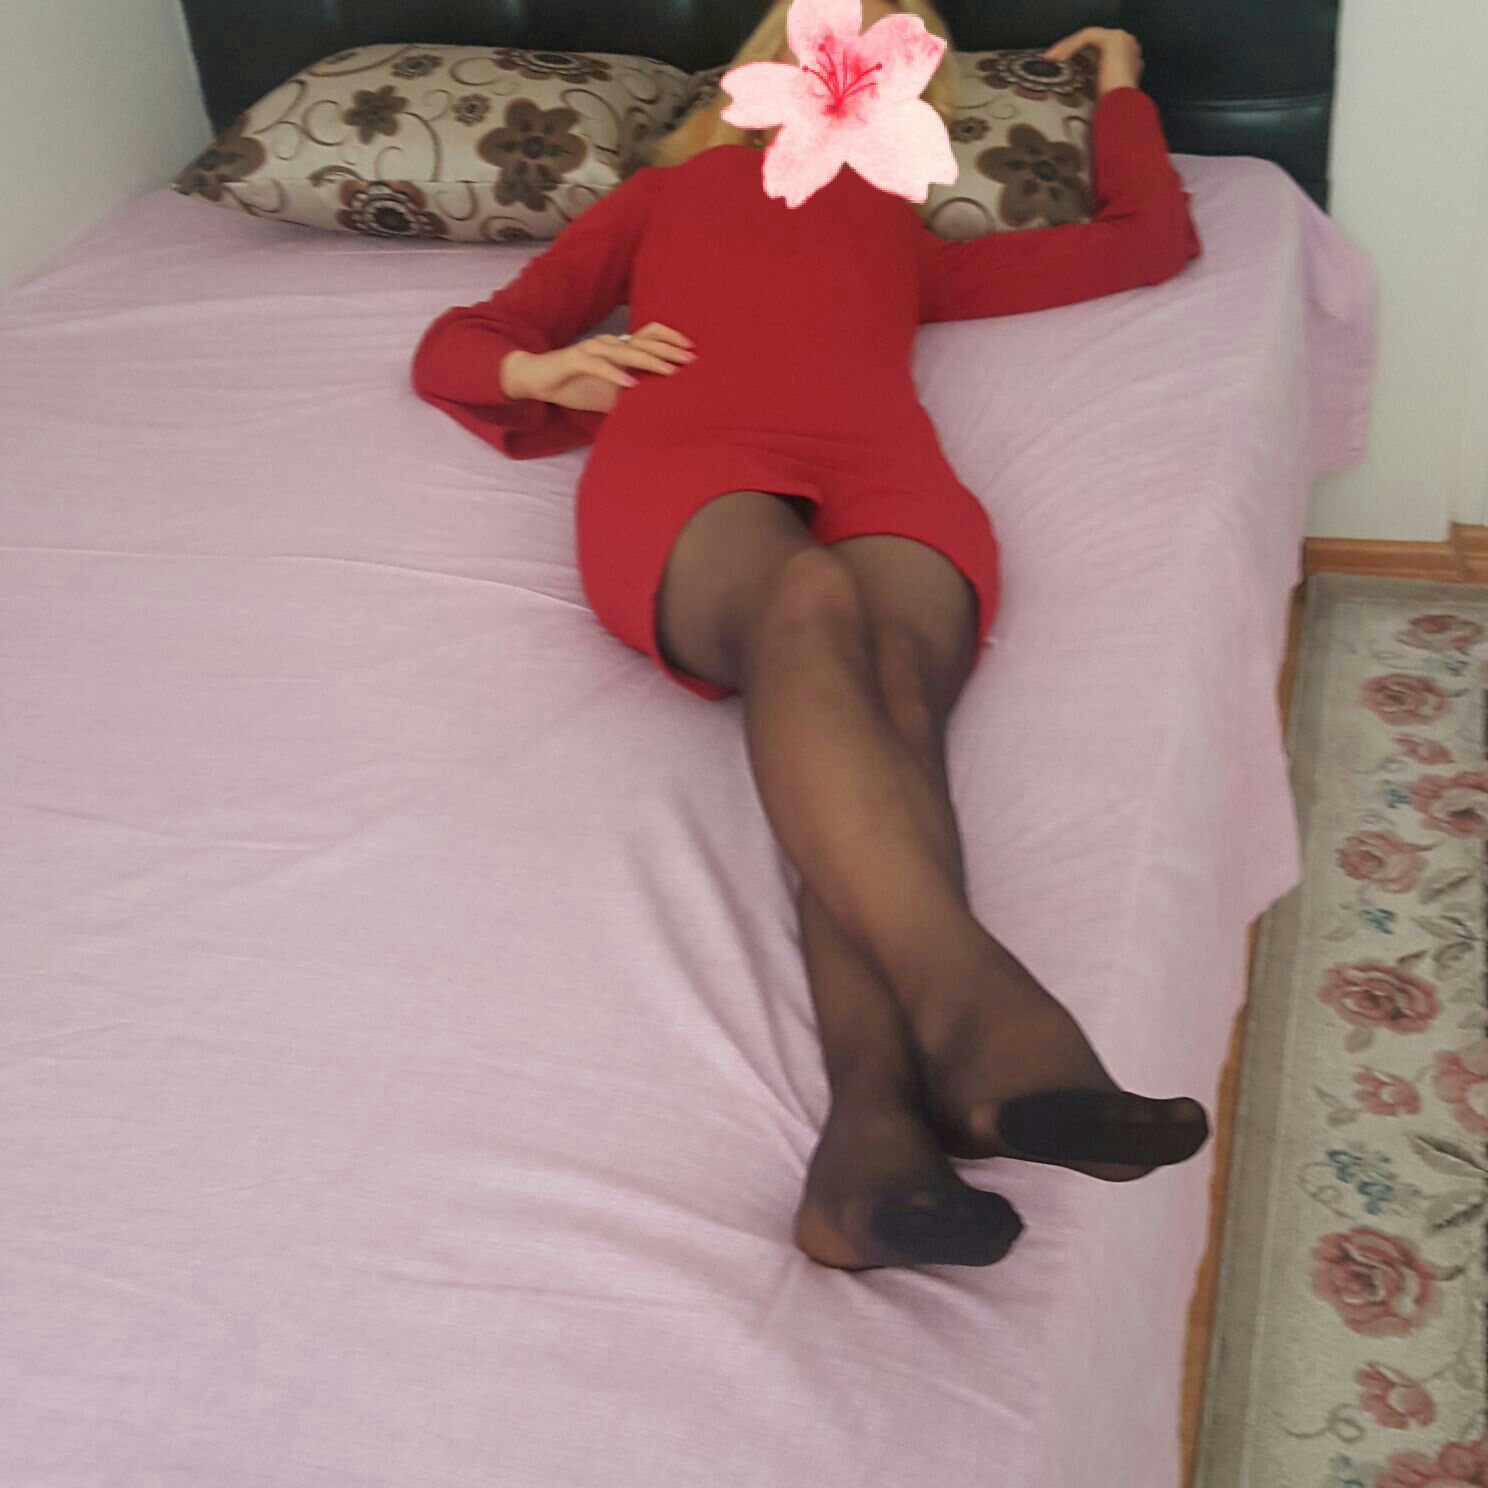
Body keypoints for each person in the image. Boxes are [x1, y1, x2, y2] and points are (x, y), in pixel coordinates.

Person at [411, 1, 1210, 1273]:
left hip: (883, 470)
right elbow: (464, 343)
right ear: (764, 66)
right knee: (810, 605)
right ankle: (977, 1014)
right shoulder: (670, 195)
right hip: (690, 458)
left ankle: (871, 1159)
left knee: (891, 695)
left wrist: (1119, 78)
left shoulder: (907, 234)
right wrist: (542, 371)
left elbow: (1150, 240)